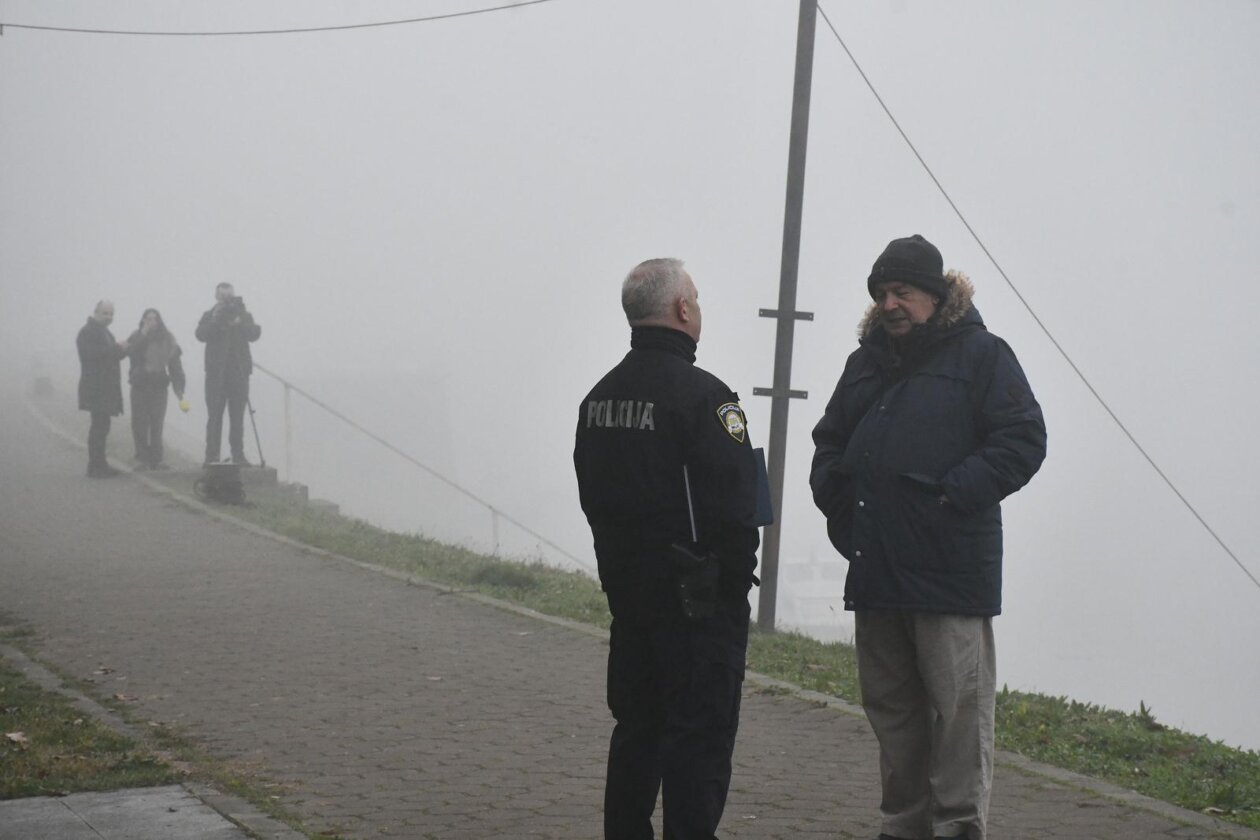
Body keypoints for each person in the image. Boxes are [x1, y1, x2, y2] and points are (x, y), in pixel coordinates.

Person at [809, 235, 1047, 840]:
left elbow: (1022, 439)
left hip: (949, 576)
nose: (890, 304)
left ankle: (958, 830)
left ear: (936, 297)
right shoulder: (863, 362)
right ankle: (903, 828)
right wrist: (845, 512)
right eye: (881, 293)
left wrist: (951, 495)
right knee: (893, 715)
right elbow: (828, 443)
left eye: (903, 292)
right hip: (878, 572)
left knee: (959, 720)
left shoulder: (983, 355)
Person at [573, 258, 763, 840]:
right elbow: (740, 507)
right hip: (698, 609)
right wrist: (731, 587)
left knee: (636, 732)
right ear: (683, 309)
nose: (699, 308)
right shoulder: (707, 399)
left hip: (631, 602)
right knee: (698, 744)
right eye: (697, 300)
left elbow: (593, 497)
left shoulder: (598, 399)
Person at [196, 282, 261, 465]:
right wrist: (218, 323)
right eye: (223, 296)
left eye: (229, 296)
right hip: (216, 373)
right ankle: (211, 456)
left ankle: (238, 455)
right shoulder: (210, 315)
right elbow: (200, 334)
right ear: (217, 297)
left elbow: (254, 334)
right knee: (214, 415)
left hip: (239, 371)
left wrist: (240, 322)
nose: (227, 300)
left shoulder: (243, 314)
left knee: (237, 416)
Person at [125, 308, 188, 470]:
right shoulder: (136, 336)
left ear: (159, 321)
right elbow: (131, 353)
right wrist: (143, 336)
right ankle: (142, 458)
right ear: (143, 320)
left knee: (156, 423)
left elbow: (175, 366)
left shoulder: (168, 339)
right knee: (139, 423)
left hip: (158, 385)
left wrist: (179, 390)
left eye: (154, 319)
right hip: (139, 384)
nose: (151, 322)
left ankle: (157, 459)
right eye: (148, 319)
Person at [76, 300, 128, 478]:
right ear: (95, 312)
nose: (108, 317)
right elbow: (93, 355)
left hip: (106, 388)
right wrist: (116, 348)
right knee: (98, 428)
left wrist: (123, 349)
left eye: (111, 314)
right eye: (105, 313)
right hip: (95, 388)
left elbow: (112, 355)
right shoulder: (87, 332)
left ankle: (100, 463)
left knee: (103, 427)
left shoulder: (105, 333)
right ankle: (95, 466)